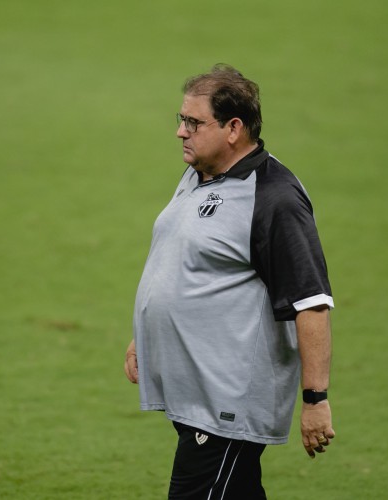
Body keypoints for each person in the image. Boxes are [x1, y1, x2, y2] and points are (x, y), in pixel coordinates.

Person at [124, 64, 335, 499]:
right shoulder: (199, 173)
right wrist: (142, 336)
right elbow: (178, 260)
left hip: (227, 401)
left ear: (233, 128)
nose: (181, 132)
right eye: (181, 119)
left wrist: (315, 400)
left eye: (194, 122)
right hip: (197, 389)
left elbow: (310, 302)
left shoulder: (274, 197)